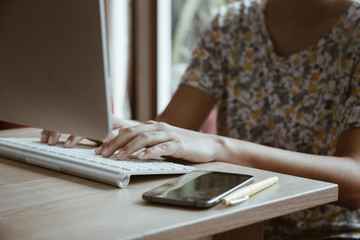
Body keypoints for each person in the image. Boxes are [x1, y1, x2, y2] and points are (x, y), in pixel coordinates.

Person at [41, 0, 360, 239]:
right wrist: (109, 127)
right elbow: (168, 137)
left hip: (324, 232)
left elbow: (355, 183)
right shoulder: (230, 25)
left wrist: (219, 147)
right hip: (228, 224)